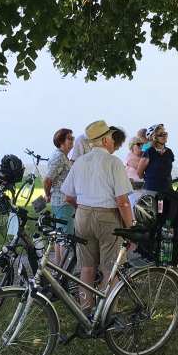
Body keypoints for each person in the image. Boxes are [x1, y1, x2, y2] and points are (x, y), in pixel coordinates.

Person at [61, 120, 134, 313]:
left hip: (83, 216)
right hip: (108, 217)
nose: (112, 141)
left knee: (87, 268)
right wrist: (130, 227)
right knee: (110, 269)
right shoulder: (113, 162)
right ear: (104, 141)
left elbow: (68, 196)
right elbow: (122, 201)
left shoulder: (80, 162)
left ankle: (85, 311)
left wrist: (85, 208)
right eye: (110, 138)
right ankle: (109, 314)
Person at [44, 128, 76, 266]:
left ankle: (59, 269)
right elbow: (47, 180)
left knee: (60, 237)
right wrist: (47, 194)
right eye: (69, 137)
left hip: (61, 202)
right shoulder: (59, 157)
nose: (72, 140)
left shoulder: (61, 156)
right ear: (61, 141)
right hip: (63, 203)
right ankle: (63, 273)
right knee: (65, 238)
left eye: (72, 137)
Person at [137, 124, 175, 196]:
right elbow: (139, 172)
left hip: (167, 189)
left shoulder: (169, 152)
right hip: (151, 189)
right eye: (161, 134)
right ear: (154, 137)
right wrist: (149, 181)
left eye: (165, 133)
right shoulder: (149, 152)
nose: (164, 136)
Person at [124, 135, 145, 209]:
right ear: (131, 146)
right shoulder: (129, 156)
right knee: (134, 211)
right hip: (134, 190)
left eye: (142, 144)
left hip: (144, 189)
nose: (141, 146)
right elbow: (139, 166)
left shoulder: (144, 155)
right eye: (138, 144)